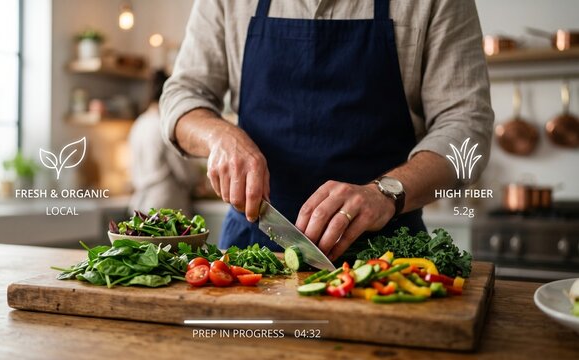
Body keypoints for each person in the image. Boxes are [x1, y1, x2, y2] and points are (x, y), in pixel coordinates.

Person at [160, 0, 493, 261]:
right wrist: (221, 136)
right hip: (254, 249)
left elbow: (466, 123)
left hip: (389, 256)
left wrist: (386, 193)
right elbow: (181, 96)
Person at [128, 70, 199, 215]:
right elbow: (184, 171)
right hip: (165, 202)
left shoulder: (138, 124)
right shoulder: (164, 126)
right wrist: (196, 177)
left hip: (139, 202)